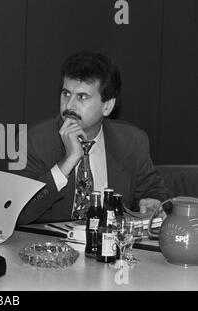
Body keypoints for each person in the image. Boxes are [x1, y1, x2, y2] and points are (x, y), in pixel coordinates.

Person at [14, 51, 170, 224]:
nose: (70, 105)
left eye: (82, 97)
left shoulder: (132, 141)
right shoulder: (32, 140)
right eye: (66, 93)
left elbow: (154, 193)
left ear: (107, 106)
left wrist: (151, 203)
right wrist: (68, 161)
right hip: (51, 247)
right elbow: (17, 212)